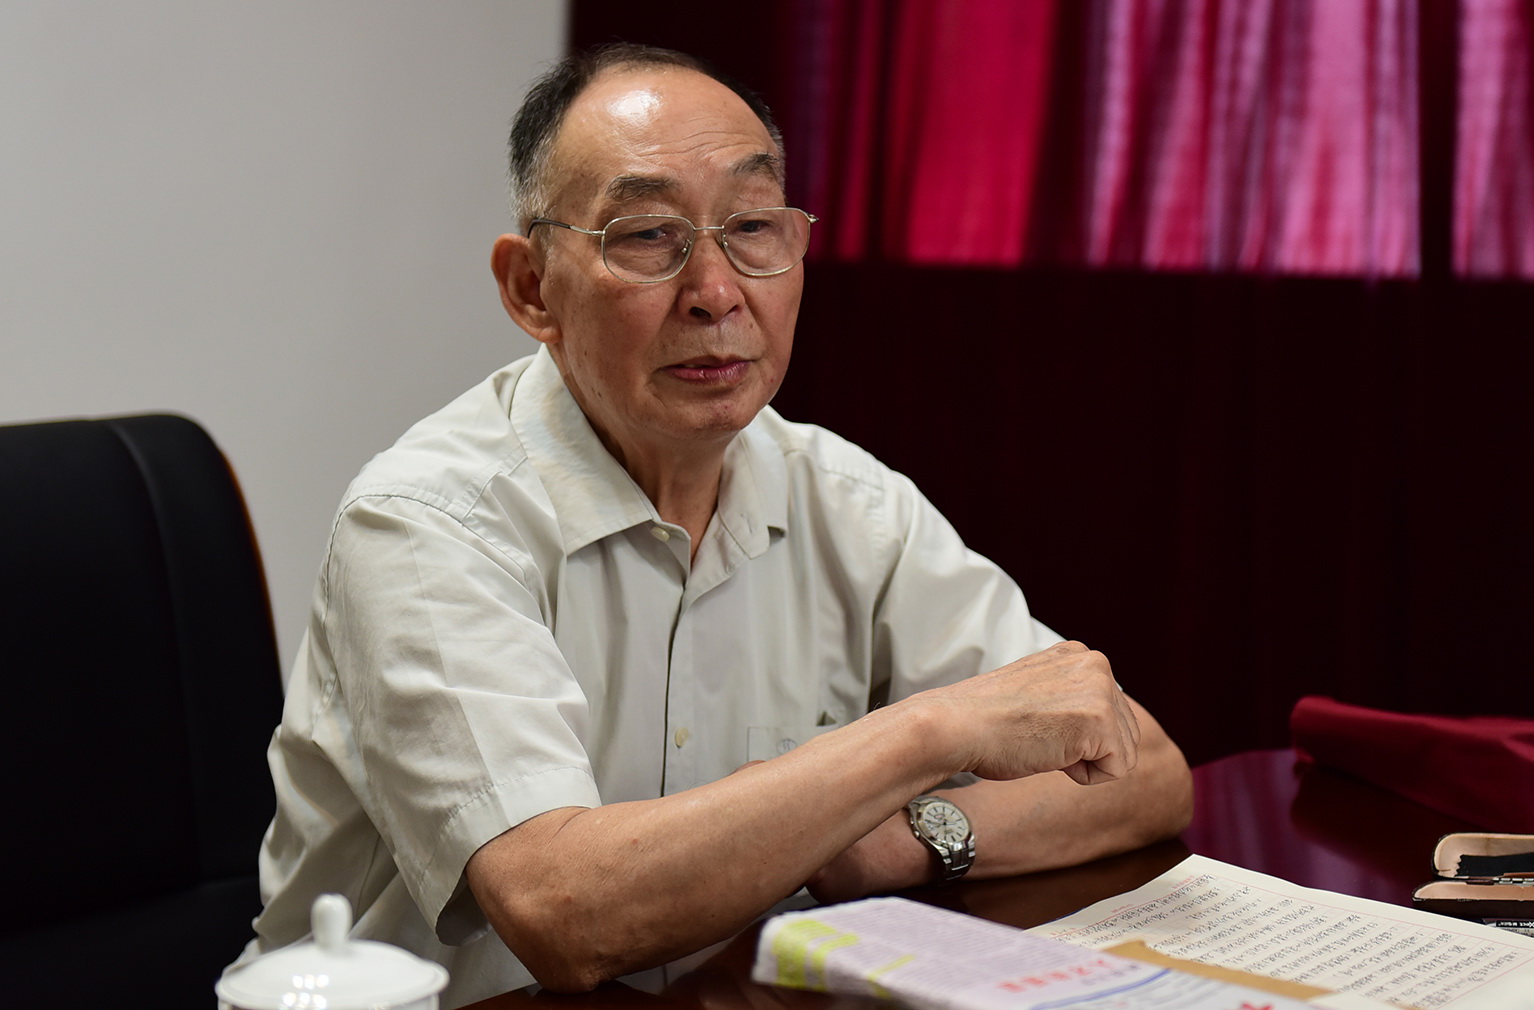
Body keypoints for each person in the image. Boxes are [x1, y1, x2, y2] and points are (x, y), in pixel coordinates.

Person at [230, 43, 1192, 1008]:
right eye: (648, 235)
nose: (717, 292)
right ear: (531, 289)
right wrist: (928, 734)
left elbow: (1141, 767)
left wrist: (912, 837)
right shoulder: (425, 523)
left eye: (752, 226)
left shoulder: (846, 500)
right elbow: (561, 910)